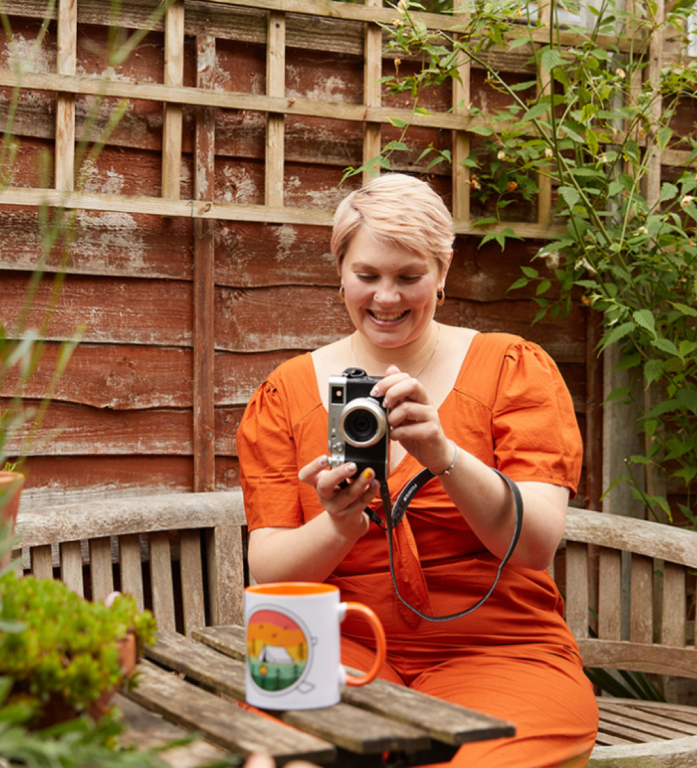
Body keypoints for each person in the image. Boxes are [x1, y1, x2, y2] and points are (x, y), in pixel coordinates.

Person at [235, 173, 599, 767]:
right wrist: (339, 523)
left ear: (444, 271)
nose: (386, 298)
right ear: (340, 273)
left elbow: (534, 545)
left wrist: (445, 455)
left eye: (409, 277)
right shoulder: (287, 392)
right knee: (286, 760)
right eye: (367, 276)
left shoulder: (512, 369)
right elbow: (270, 573)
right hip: (335, 644)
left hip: (501, 652)